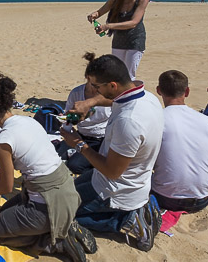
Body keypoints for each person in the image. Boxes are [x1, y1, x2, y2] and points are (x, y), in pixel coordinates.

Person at [0, 75, 97, 262]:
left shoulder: (4, 139)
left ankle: (53, 242)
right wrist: (2, 154)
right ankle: (65, 225)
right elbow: (30, 153)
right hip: (68, 193)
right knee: (3, 212)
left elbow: (5, 186)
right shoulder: (28, 121)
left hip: (46, 205)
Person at [64, 54, 164, 251]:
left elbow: (112, 171)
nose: (94, 91)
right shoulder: (146, 97)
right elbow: (114, 100)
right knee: (66, 194)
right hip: (118, 178)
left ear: (112, 85)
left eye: (97, 87)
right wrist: (90, 103)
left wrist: (78, 143)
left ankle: (127, 220)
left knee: (63, 215)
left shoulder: (129, 121)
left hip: (116, 190)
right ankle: (136, 209)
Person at [152, 70, 208, 213]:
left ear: (159, 91)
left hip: (166, 198)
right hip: (202, 199)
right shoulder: (207, 121)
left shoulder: (158, 119)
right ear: (187, 91)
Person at [87, 0, 150, 80]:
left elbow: (133, 22)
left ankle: (128, 96)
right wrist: (94, 15)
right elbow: (100, 11)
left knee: (129, 75)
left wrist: (108, 26)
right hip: (118, 40)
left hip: (135, 40)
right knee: (116, 73)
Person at [57, 52, 112, 174]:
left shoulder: (108, 97)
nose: (97, 88)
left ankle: (97, 168)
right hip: (80, 135)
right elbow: (69, 117)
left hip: (100, 139)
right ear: (87, 77)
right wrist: (67, 118)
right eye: (94, 84)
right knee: (55, 157)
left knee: (75, 165)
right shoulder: (76, 93)